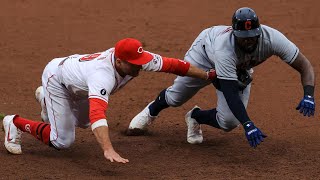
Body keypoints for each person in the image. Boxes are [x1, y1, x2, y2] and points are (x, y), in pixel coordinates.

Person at [3, 38, 217, 163]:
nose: (139, 67)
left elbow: (175, 65)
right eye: (134, 64)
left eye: (140, 62)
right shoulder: (102, 75)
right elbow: (98, 113)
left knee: (84, 122)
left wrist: (207, 75)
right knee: (63, 141)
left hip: (78, 82)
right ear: (119, 60)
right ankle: (14, 122)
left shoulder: (137, 59)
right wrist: (107, 148)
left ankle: (47, 104)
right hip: (57, 81)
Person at [127, 7, 316, 148]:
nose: (249, 40)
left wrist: (308, 94)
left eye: (253, 36)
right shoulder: (224, 48)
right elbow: (228, 90)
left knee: (229, 122)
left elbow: (305, 65)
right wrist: (248, 124)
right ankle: (151, 111)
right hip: (204, 56)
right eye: (244, 36)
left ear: (259, 31)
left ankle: (195, 116)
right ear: (235, 33)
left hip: (237, 67)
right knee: (177, 97)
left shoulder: (273, 39)